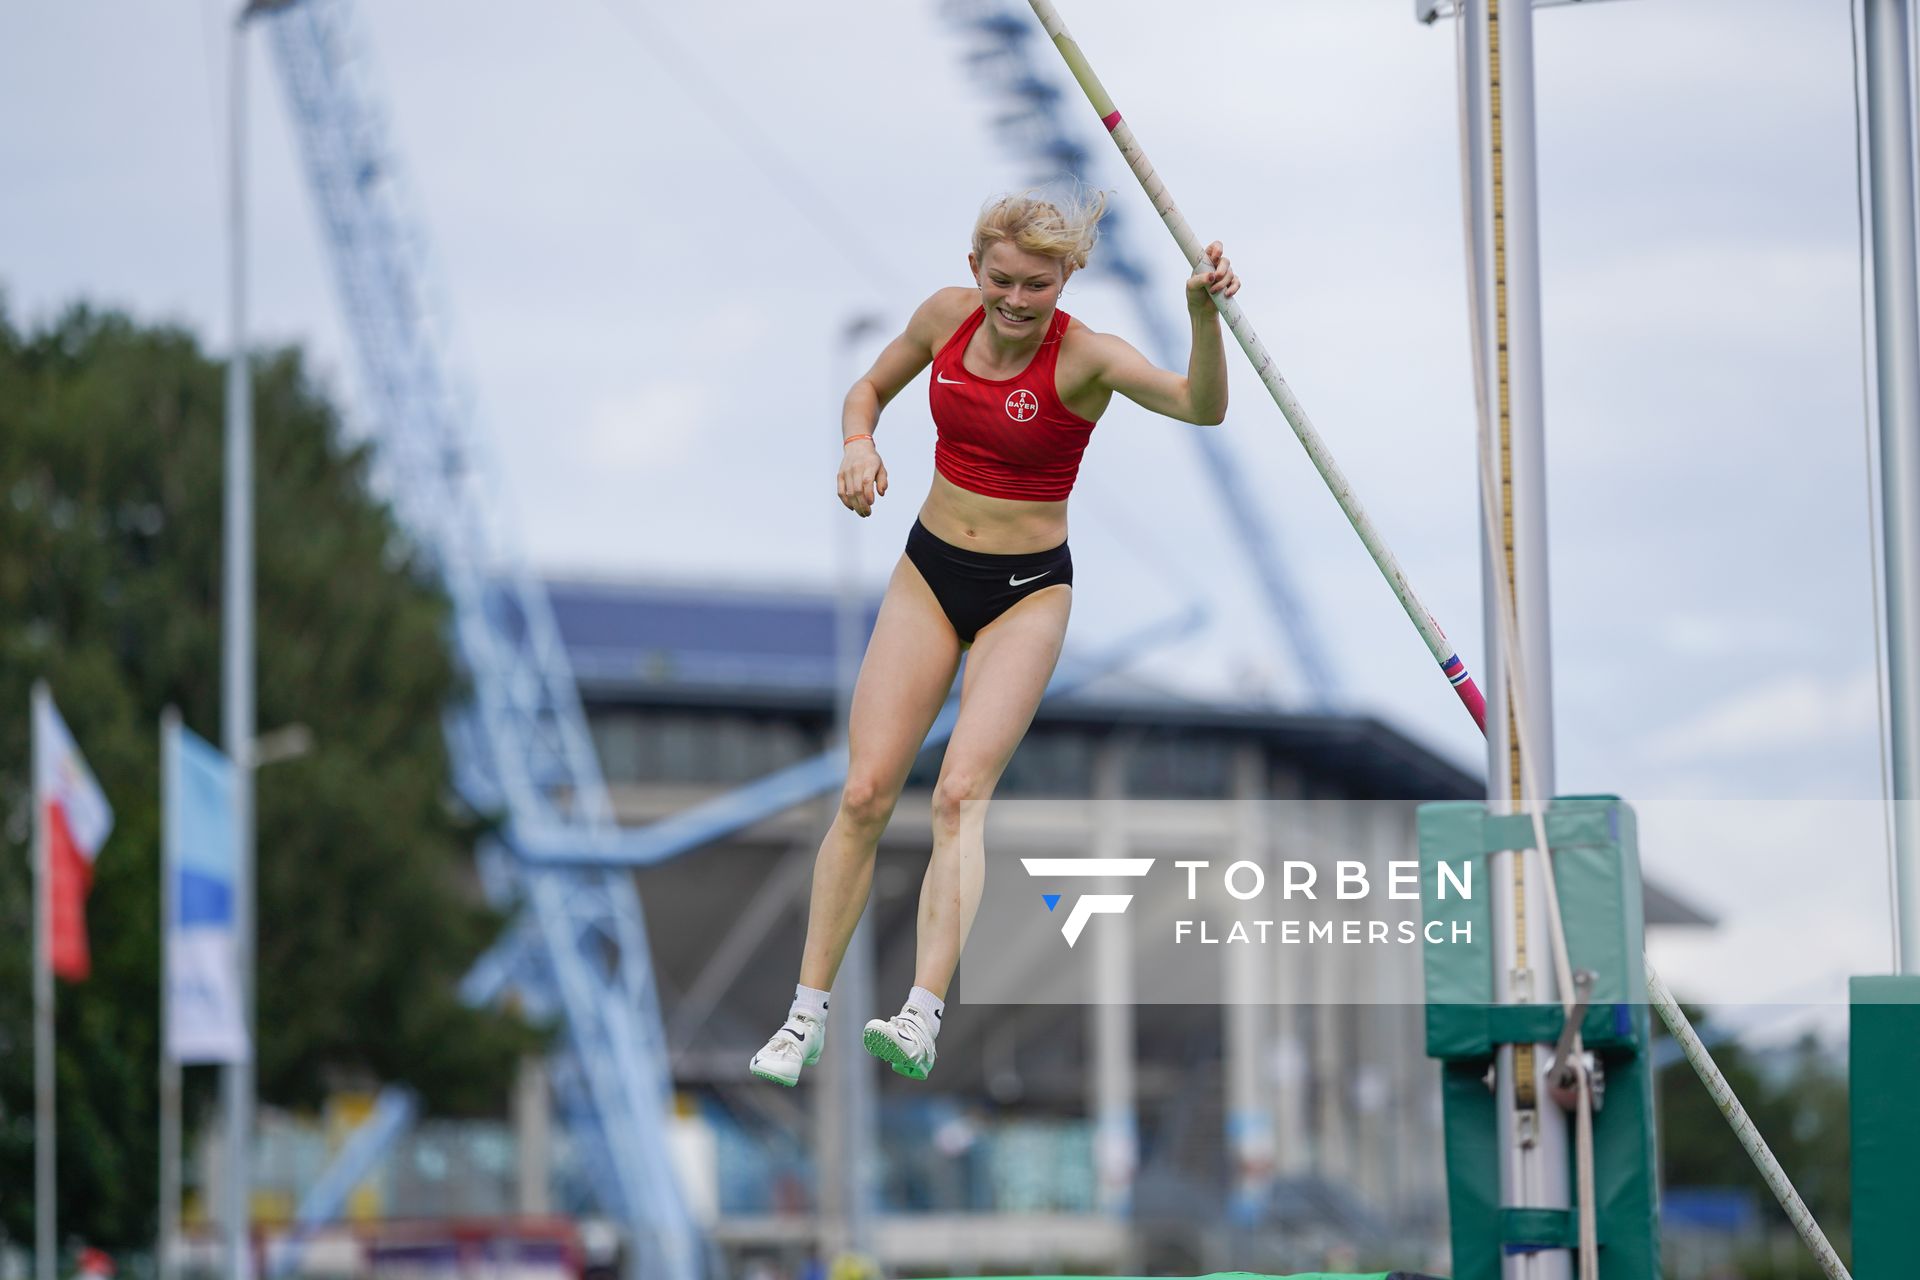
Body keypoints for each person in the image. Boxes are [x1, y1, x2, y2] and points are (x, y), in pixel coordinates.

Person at [750, 190, 1239, 1085]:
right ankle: (803, 1016)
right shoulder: (944, 316)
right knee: (863, 793)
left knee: (957, 797)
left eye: (1038, 286)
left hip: (1026, 593)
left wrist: (1201, 319)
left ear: (1067, 278)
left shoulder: (1087, 359)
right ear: (976, 268)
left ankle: (921, 1017)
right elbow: (869, 386)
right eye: (1003, 280)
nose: (1017, 302)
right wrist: (859, 441)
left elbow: (1200, 407)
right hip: (929, 573)